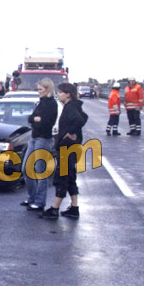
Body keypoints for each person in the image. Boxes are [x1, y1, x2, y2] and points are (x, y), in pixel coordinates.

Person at [41, 83, 88, 219]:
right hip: (72, 147)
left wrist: (71, 133)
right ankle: (74, 207)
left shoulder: (70, 106)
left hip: (68, 147)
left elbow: (79, 120)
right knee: (70, 177)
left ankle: (55, 208)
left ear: (68, 94)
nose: (58, 94)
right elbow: (84, 117)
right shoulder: (73, 106)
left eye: (61, 92)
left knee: (62, 177)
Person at [21, 78, 58, 212]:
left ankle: (39, 202)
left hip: (44, 139)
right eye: (38, 89)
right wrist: (35, 119)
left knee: (40, 170)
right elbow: (31, 118)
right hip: (34, 137)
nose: (39, 92)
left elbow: (46, 123)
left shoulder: (51, 104)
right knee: (26, 168)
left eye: (40, 89)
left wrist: (36, 120)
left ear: (47, 89)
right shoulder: (40, 103)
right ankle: (31, 197)